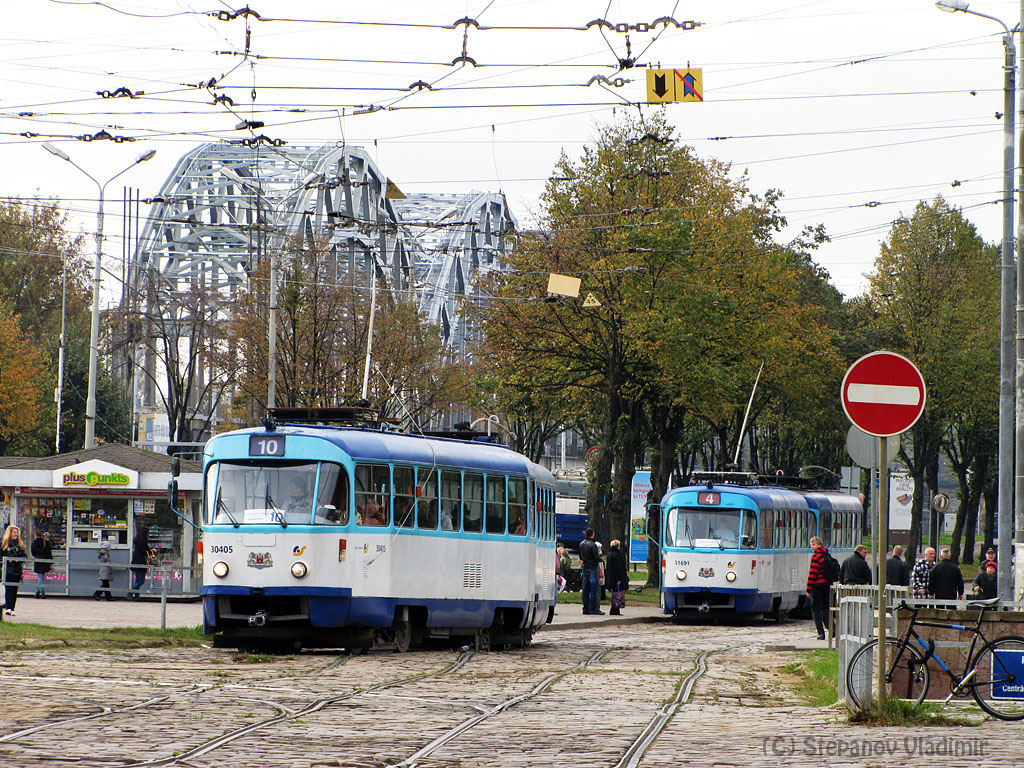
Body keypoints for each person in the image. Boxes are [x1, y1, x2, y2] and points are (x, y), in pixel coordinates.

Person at [806, 536, 833, 640]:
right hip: (826, 584)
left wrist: (808, 589)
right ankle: (832, 628)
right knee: (825, 608)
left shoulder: (816, 557)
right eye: (811, 545)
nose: (812, 547)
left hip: (817, 586)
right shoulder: (826, 555)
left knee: (815, 609)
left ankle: (821, 633)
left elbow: (812, 574)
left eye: (813, 544)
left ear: (819, 545)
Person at [1, 525, 26, 615]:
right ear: (10, 533)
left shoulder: (19, 544)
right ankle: (8, 607)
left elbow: (24, 555)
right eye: (14, 532)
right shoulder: (4, 543)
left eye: (17, 532)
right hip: (8, 569)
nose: (16, 534)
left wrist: (18, 560)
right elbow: (1, 555)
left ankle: (12, 608)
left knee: (15, 589)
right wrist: (7, 559)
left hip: (17, 569)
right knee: (9, 588)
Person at [578, 528, 603, 615]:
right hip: (592, 567)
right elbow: (596, 557)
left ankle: (585, 607)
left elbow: (580, 556)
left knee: (586, 588)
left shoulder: (581, 544)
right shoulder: (592, 545)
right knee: (593, 589)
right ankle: (593, 608)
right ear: (592, 534)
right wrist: (601, 559)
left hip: (585, 567)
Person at [129, 525, 154, 601]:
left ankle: (137, 596)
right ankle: (130, 593)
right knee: (141, 581)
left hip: (135, 561)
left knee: (137, 580)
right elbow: (144, 551)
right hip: (141, 562)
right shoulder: (143, 542)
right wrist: (150, 552)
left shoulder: (137, 541)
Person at [605, 540, 629, 615]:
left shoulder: (609, 554)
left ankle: (614, 609)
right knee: (617, 593)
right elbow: (619, 568)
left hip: (610, 577)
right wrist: (620, 579)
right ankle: (614, 609)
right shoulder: (618, 555)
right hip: (617, 577)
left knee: (614, 593)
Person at [31, 529, 53, 599]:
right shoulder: (45, 542)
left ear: (35, 535)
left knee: (40, 576)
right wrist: (50, 562)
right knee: (41, 576)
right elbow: (49, 552)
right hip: (45, 561)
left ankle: (41, 592)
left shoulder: (34, 543)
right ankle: (37, 591)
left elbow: (33, 552)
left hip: (38, 560)